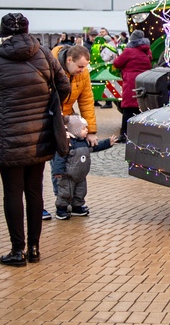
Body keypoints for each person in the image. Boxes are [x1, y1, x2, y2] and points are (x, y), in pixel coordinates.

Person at [0, 13, 71, 266]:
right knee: (35, 190)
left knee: (13, 193)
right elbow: (64, 87)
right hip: (39, 134)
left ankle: (17, 251)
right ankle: (35, 249)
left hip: (8, 137)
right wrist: (47, 108)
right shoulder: (45, 55)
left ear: (3, 34)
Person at [45, 44, 98, 220]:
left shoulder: (83, 74)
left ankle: (72, 201)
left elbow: (87, 100)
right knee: (57, 162)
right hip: (49, 119)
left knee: (72, 159)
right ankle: (60, 200)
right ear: (69, 60)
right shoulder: (49, 67)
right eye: (80, 66)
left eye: (85, 67)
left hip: (67, 118)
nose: (82, 70)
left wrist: (90, 130)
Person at [51, 115, 116, 219]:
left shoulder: (84, 142)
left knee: (80, 192)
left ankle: (77, 206)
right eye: (83, 128)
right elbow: (59, 158)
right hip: (67, 175)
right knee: (65, 192)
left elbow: (95, 146)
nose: (87, 130)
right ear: (75, 130)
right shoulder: (67, 143)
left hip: (81, 175)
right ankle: (61, 208)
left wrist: (108, 143)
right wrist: (58, 171)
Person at [112, 30, 152, 143]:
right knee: (141, 108)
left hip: (130, 82)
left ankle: (125, 134)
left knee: (128, 109)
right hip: (143, 82)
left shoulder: (129, 51)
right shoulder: (147, 51)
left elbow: (117, 63)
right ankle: (139, 134)